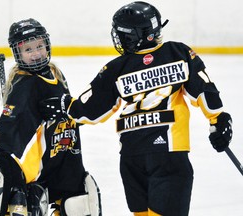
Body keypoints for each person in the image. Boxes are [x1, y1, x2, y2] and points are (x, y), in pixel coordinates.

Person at [39, 2, 233, 216]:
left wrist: (65, 105)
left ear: (136, 36)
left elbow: (89, 111)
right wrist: (219, 120)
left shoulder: (116, 68)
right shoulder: (178, 52)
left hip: (132, 157)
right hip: (169, 157)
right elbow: (205, 91)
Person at [0, 18, 101, 216]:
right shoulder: (24, 84)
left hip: (63, 154)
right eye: (28, 50)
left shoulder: (55, 73)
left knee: (77, 204)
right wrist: (15, 179)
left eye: (40, 46)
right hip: (41, 166)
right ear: (17, 53)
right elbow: (10, 130)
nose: (36, 54)